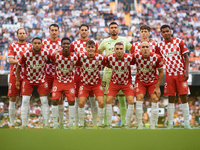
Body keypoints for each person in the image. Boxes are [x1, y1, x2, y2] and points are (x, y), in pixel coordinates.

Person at [157, 25, 191, 129]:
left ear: (170, 31)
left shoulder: (179, 41)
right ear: (161, 33)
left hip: (181, 74)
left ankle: (186, 123)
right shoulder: (160, 45)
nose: (166, 33)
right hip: (169, 75)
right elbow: (159, 60)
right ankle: (170, 123)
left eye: (167, 31)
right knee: (171, 98)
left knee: (184, 97)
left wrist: (186, 71)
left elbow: (186, 57)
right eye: (164, 32)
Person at [98, 22, 132, 127]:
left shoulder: (124, 40)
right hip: (108, 73)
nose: (113, 29)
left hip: (121, 74)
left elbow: (132, 50)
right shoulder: (105, 41)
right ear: (109, 30)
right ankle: (105, 122)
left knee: (122, 98)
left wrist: (127, 63)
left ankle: (123, 122)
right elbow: (98, 53)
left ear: (118, 29)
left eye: (115, 28)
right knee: (105, 98)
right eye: (111, 28)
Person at [16, 37, 50, 129]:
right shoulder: (26, 53)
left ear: (42, 44)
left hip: (41, 79)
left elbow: (52, 61)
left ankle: (46, 125)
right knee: (25, 101)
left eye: (39, 43)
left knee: (44, 101)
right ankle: (23, 125)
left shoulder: (46, 53)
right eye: (35, 43)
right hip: (28, 79)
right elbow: (19, 66)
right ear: (32, 44)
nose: (37, 45)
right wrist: (17, 80)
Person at [70, 24, 98, 129]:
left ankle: (95, 124)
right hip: (78, 75)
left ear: (89, 31)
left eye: (86, 30)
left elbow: (97, 57)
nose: (84, 32)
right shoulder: (74, 43)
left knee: (92, 100)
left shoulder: (93, 43)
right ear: (79, 31)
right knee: (78, 101)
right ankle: (77, 123)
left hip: (91, 75)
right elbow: (71, 58)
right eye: (82, 30)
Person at [133, 42, 164, 129]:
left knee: (155, 99)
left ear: (150, 48)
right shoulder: (136, 55)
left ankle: (153, 125)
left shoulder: (156, 57)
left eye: (147, 47)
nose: (145, 48)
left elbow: (161, 72)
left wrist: (157, 87)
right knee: (139, 99)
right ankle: (139, 125)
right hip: (140, 81)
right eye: (143, 47)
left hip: (152, 81)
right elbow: (127, 62)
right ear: (140, 48)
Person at [105, 42, 134, 129]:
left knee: (131, 101)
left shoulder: (129, 58)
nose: (119, 50)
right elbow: (106, 65)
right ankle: (109, 124)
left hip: (126, 82)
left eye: (121, 49)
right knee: (108, 101)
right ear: (114, 49)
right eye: (117, 49)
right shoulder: (109, 57)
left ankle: (127, 124)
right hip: (114, 82)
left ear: (124, 49)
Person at [77, 40, 105, 129]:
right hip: (84, 84)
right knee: (81, 103)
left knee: (101, 102)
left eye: (92, 47)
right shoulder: (81, 56)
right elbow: (74, 62)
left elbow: (109, 64)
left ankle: (100, 124)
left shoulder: (100, 58)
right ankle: (81, 124)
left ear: (95, 48)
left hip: (96, 84)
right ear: (86, 48)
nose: (90, 49)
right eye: (89, 47)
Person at [51, 37, 78, 129]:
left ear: (70, 45)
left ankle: (71, 124)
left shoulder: (75, 56)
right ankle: (55, 124)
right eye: (64, 44)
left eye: (67, 44)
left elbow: (79, 65)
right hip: (58, 81)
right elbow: (48, 60)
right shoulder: (56, 55)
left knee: (71, 102)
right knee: (54, 101)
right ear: (61, 45)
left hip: (69, 81)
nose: (66, 45)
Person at [7, 28, 32, 129]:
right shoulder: (12, 45)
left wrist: (19, 61)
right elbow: (10, 60)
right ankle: (11, 123)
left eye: (23, 33)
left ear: (26, 35)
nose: (22, 35)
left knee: (26, 100)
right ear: (17, 35)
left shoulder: (30, 46)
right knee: (12, 98)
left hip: (27, 76)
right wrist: (22, 61)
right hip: (14, 75)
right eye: (20, 33)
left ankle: (25, 123)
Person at [42, 24, 64, 128]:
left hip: (59, 74)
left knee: (59, 99)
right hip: (46, 74)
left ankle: (60, 123)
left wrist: (51, 58)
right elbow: (42, 57)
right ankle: (46, 123)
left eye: (56, 30)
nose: (54, 32)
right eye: (52, 30)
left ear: (58, 31)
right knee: (45, 98)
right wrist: (53, 57)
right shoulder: (44, 42)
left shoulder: (62, 43)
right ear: (49, 31)